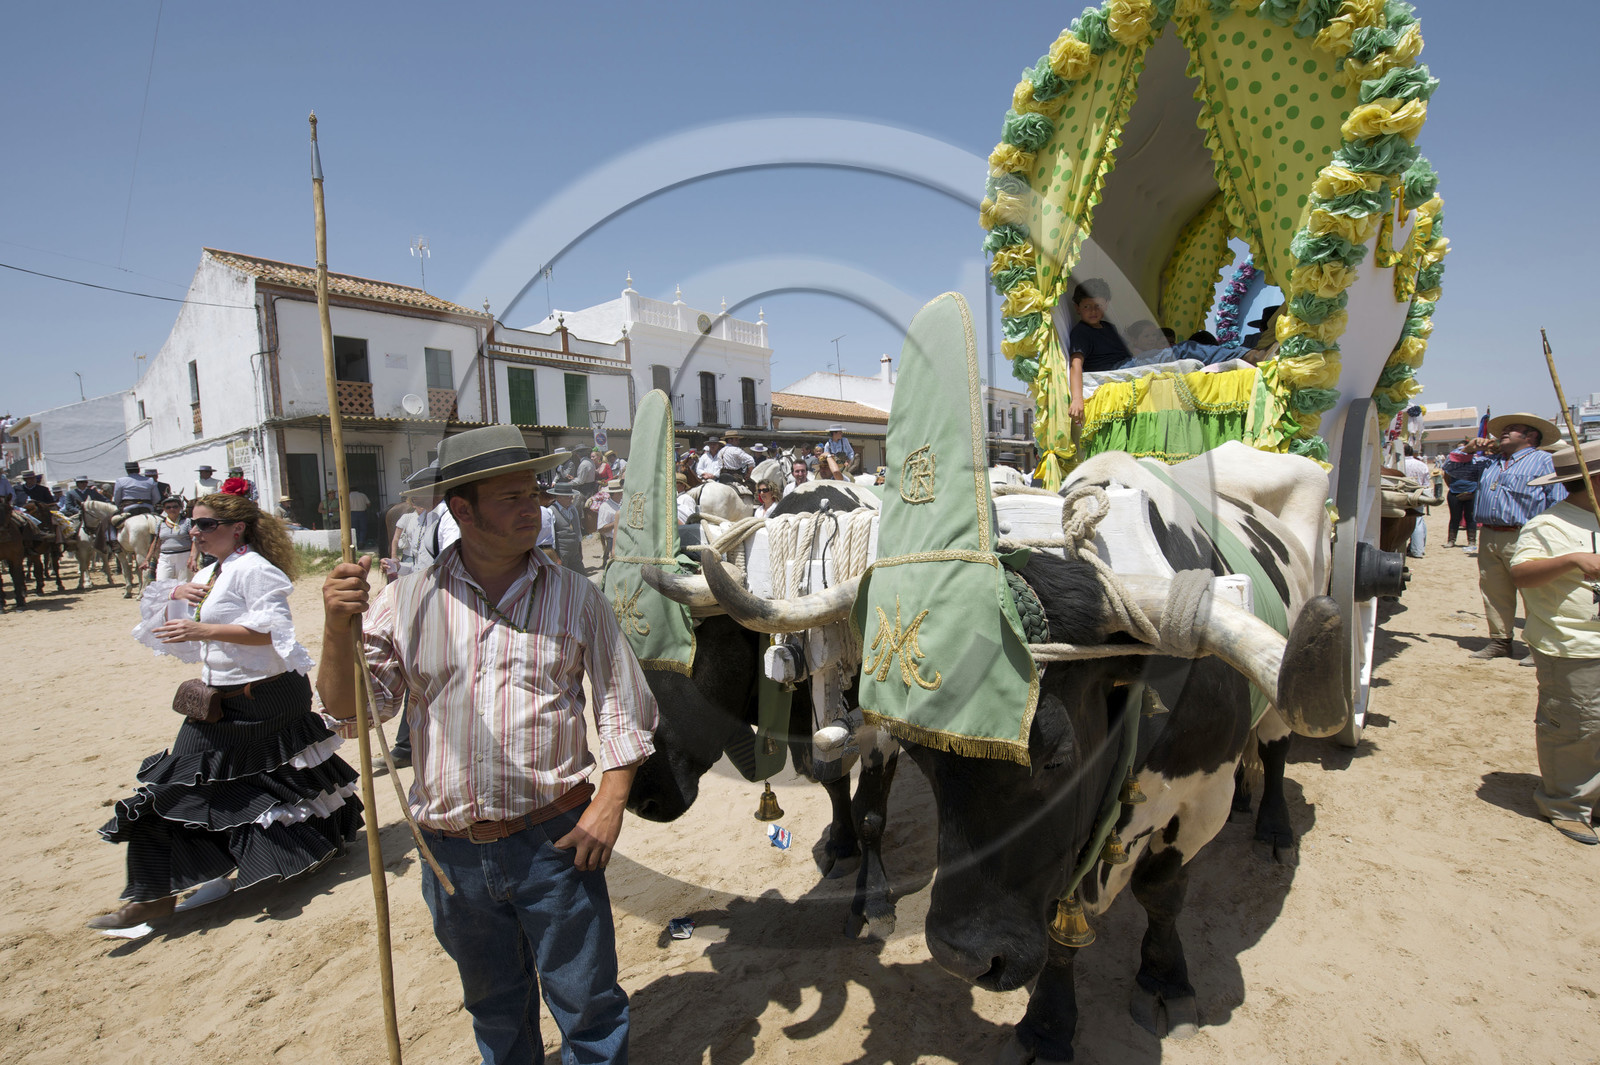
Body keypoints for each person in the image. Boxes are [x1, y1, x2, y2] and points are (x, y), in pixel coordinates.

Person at [317, 424, 658, 1064]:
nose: (534, 508)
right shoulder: (403, 601)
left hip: (556, 841)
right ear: (463, 510)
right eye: (512, 498)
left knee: (588, 1005)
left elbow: (623, 706)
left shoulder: (577, 596)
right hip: (451, 853)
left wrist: (609, 804)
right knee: (496, 1011)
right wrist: (338, 627)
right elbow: (352, 713)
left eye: (534, 494)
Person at [90, 493, 362, 932]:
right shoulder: (207, 573)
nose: (195, 532)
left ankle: (169, 891)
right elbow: (170, 626)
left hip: (266, 697)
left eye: (206, 524)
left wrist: (202, 627)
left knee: (262, 785)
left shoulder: (256, 569)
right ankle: (158, 893)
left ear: (237, 528)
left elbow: (272, 632)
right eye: (192, 525)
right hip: (220, 699)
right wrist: (176, 594)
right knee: (186, 785)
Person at [1508, 446, 1600, 845]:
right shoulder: (1550, 525)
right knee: (1577, 727)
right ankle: (1566, 805)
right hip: (1572, 646)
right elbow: (1521, 574)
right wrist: (1572, 561)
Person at [1472, 414, 1566, 662]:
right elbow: (1455, 471)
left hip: (1526, 535)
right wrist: (1469, 449)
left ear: (1531, 435)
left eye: (1513, 429)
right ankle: (1500, 641)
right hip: (1489, 534)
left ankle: (1538, 645)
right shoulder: (1490, 462)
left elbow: (1557, 500)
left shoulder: (1544, 461)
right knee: (1494, 590)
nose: (1504, 432)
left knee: (1535, 592)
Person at [1066, 278, 1131, 424]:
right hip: (1114, 369)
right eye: (1087, 306)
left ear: (1106, 305)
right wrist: (1077, 399)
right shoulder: (1081, 332)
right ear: (1077, 308)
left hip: (1128, 363)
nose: (1093, 311)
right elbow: (1075, 364)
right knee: (1176, 353)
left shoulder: (1109, 327)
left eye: (1098, 305)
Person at [1442, 437, 1489, 549]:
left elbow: (1481, 478)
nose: (1462, 452)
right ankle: (1451, 540)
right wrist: (1452, 487)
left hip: (1471, 492)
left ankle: (1471, 541)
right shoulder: (1453, 462)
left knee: (1471, 517)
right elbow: (1446, 475)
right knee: (1455, 517)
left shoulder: (1477, 461)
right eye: (1459, 449)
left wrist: (1473, 492)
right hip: (1454, 492)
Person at [143, 497, 196, 581]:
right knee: (161, 582)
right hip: (165, 557)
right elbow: (156, 542)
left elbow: (194, 541)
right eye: (168, 507)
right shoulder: (160, 524)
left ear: (180, 508)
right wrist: (147, 559)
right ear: (164, 509)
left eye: (175, 507)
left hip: (184, 556)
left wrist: (192, 557)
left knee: (183, 583)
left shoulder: (187, 522)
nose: (172, 509)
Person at [1403, 444, 1431, 558]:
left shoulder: (1395, 465)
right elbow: (1426, 483)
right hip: (1418, 495)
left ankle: (1414, 549)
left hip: (1402, 495)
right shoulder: (1422, 465)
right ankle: (1418, 550)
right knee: (1418, 520)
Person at [596, 480, 621, 567]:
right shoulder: (605, 507)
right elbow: (601, 529)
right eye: (621, 492)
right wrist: (617, 522)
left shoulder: (623, 504)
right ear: (616, 494)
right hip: (612, 541)